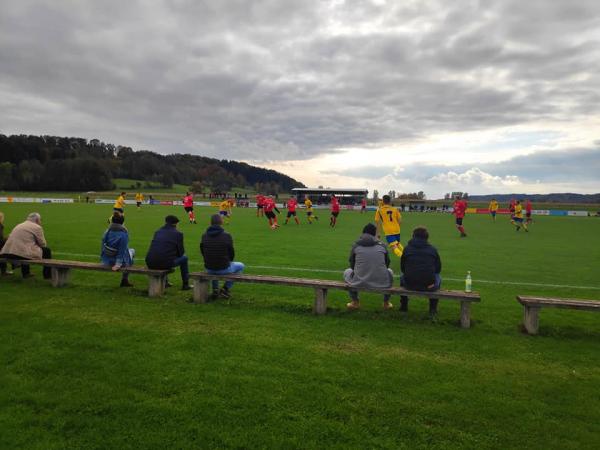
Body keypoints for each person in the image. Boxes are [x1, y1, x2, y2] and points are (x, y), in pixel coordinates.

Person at [343, 223, 394, 310]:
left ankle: (355, 302)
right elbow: (387, 263)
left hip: (359, 282)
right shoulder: (382, 245)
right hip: (381, 282)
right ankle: (386, 302)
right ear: (374, 234)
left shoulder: (356, 245)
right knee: (390, 271)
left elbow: (352, 264)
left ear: (363, 233)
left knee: (347, 271)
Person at [399, 227, 442, 319]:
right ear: (427, 238)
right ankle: (433, 308)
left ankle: (403, 306)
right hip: (429, 285)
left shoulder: (407, 249)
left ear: (413, 236)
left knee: (402, 276)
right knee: (438, 277)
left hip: (409, 284)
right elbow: (438, 269)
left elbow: (402, 268)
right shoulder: (433, 249)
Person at [201, 214, 245, 299]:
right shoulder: (226, 235)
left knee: (214, 264)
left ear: (211, 223)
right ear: (221, 222)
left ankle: (215, 290)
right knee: (241, 266)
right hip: (223, 268)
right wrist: (229, 261)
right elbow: (231, 252)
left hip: (208, 268)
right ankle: (225, 289)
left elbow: (202, 250)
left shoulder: (204, 235)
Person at [145, 215, 192, 290]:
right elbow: (181, 253)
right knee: (184, 259)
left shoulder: (157, 232)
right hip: (164, 263)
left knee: (164, 255)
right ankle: (185, 284)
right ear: (176, 224)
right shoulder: (178, 234)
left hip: (150, 262)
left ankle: (166, 282)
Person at [0, 212, 52, 279]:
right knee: (46, 251)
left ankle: (26, 273)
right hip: (19, 254)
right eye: (40, 219)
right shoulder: (37, 227)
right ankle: (47, 275)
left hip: (8, 252)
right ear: (37, 220)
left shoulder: (20, 225)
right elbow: (43, 244)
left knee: (25, 249)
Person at [101, 213, 135, 287]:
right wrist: (118, 264)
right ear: (123, 222)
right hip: (115, 262)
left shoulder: (107, 231)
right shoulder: (123, 235)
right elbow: (121, 252)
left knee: (129, 251)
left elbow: (103, 245)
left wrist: (103, 257)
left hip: (106, 259)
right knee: (132, 251)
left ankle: (125, 280)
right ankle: (124, 279)